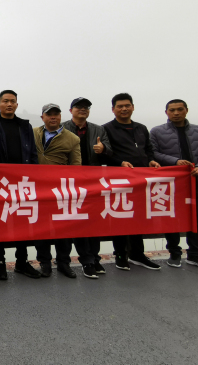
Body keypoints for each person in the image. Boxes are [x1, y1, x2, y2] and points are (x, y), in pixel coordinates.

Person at [150, 99, 198, 271]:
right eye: (172, 110)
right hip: (171, 183)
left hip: (196, 181)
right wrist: (175, 162)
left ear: (186, 110)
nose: (176, 113)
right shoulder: (157, 132)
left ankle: (196, 254)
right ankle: (174, 253)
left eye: (180, 109)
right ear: (166, 112)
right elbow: (153, 153)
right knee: (171, 218)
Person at [0, 90, 41, 281]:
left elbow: (32, 152)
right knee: (0, 221)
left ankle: (21, 261)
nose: (9, 104)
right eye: (5, 101)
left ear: (17, 104)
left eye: (12, 101)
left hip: (22, 180)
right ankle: (0, 262)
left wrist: (34, 173)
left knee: (22, 221)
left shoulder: (24, 125)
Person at [102, 93, 161, 271]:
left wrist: (151, 160)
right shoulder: (106, 129)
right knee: (120, 217)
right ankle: (120, 255)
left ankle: (137, 254)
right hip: (119, 180)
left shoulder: (141, 128)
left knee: (139, 217)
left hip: (142, 181)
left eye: (127, 105)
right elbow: (105, 154)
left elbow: (149, 149)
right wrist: (120, 162)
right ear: (113, 109)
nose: (124, 109)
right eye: (120, 106)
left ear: (133, 107)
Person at [62, 97, 113, 279]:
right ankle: (86, 260)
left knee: (93, 220)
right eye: (79, 107)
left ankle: (95, 258)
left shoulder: (99, 129)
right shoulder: (62, 128)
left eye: (86, 107)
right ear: (71, 110)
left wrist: (103, 149)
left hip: (93, 181)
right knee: (78, 220)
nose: (83, 109)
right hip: (70, 181)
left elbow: (110, 152)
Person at [33, 104, 81, 279]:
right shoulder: (32, 132)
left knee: (63, 228)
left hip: (61, 190)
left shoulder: (72, 138)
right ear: (42, 117)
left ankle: (63, 263)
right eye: (49, 114)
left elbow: (76, 166)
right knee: (41, 228)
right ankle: (44, 263)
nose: (53, 117)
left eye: (56, 114)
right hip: (37, 188)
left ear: (60, 117)